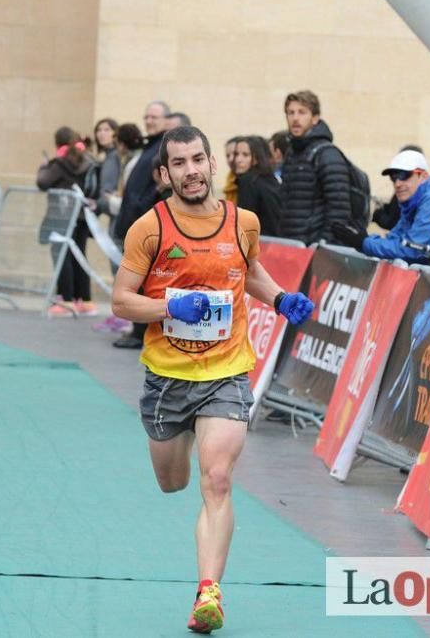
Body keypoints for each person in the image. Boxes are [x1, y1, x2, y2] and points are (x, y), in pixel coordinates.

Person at [110, 125, 314, 634]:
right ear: (165, 173)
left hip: (226, 371)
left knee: (218, 479)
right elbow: (120, 300)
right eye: (179, 163)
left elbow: (252, 273)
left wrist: (282, 298)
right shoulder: (149, 229)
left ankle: (208, 594)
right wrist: (172, 305)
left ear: (211, 163)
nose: (192, 170)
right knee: (173, 481)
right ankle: (170, 447)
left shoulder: (242, 221)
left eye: (198, 159)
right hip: (166, 377)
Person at [113, 100, 171, 349]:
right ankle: (136, 330)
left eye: (154, 117)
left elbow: (159, 189)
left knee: (143, 284)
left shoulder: (163, 148)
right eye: (146, 116)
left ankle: (140, 333)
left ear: (165, 120)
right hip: (134, 222)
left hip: (148, 224)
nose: (149, 121)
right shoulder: (149, 146)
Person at [332, 149, 430, 265]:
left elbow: (414, 250)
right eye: (394, 178)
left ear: (423, 176)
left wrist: (364, 242)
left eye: (405, 175)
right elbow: (395, 238)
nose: (397, 184)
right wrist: (362, 239)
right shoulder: (412, 200)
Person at [37, 126, 98, 317]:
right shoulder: (89, 160)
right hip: (81, 216)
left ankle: (66, 300)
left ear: (58, 143)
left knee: (62, 256)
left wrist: (43, 166)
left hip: (62, 217)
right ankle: (85, 301)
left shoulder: (58, 163)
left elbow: (43, 182)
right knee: (79, 256)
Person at [278, 90, 351, 244]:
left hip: (313, 249)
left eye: (302, 112)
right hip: (291, 246)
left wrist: (322, 244)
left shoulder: (327, 154)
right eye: (290, 113)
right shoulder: (292, 152)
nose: (295, 118)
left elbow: (339, 209)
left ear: (315, 118)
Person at [232, 136, 282, 235]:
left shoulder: (248, 181)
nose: (238, 160)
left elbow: (244, 225)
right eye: (236, 154)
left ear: (256, 159)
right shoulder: (270, 179)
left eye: (245, 155)